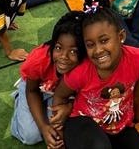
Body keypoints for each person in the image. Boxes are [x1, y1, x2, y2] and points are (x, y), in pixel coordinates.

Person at [49, 0, 139, 149]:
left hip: (120, 127)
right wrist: (60, 132)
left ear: (121, 37)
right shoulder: (81, 71)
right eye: (90, 44)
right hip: (82, 123)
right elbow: (60, 95)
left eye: (104, 40)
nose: (98, 50)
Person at [10, 12, 85, 145]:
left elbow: (86, 94)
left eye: (73, 51)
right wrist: (43, 127)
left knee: (60, 128)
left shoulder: (85, 65)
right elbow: (32, 91)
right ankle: (18, 97)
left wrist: (69, 107)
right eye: (59, 48)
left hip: (59, 94)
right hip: (34, 88)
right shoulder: (38, 60)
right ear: (53, 45)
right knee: (31, 136)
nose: (64, 56)